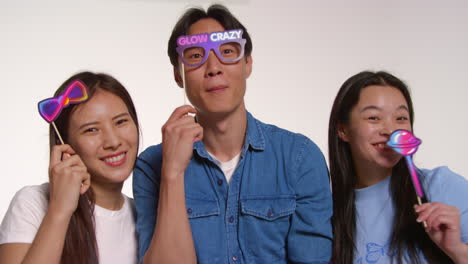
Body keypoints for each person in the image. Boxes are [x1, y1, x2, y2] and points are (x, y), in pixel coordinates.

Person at [133, 4, 333, 264]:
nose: (214, 67)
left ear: (248, 64)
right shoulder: (151, 166)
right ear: (177, 75)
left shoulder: (300, 158)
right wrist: (172, 173)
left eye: (228, 52)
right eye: (195, 56)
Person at [0, 72, 196, 264]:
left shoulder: (144, 215)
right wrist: (59, 211)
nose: (113, 141)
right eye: (91, 130)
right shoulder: (33, 203)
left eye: (121, 122)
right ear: (65, 143)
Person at [328, 71, 468, 263]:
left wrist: (456, 249)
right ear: (342, 130)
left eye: (401, 118)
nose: (391, 131)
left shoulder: (441, 186)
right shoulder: (327, 210)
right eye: (374, 118)